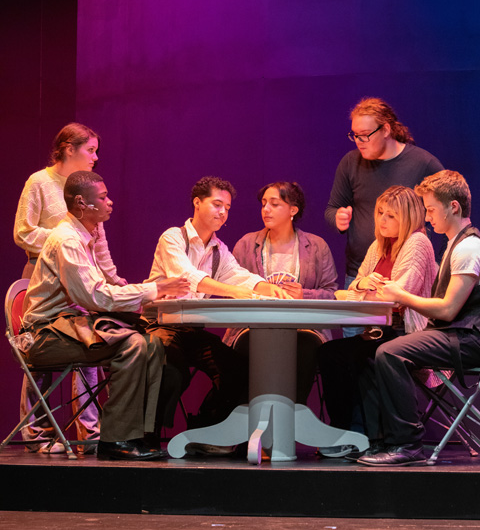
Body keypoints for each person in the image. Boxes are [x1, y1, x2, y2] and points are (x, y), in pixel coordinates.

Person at [21, 170, 189, 461]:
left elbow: (98, 293)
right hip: (44, 335)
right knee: (133, 344)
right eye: (102, 197)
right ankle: (115, 439)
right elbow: (94, 296)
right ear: (81, 203)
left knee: (151, 342)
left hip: (67, 326)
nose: (110, 202)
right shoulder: (67, 240)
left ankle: (140, 434)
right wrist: (154, 289)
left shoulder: (85, 237)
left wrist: (144, 295)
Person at [357, 170, 480, 465]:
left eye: (432, 209)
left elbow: (448, 310)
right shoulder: (455, 244)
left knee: (390, 352)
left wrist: (401, 295)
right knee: (376, 352)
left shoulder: (470, 248)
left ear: (453, 207)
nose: (427, 216)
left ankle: (407, 444)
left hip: (473, 340)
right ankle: (383, 439)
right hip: (457, 334)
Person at [13, 123, 126, 453]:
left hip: (81, 277)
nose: (95, 156)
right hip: (44, 275)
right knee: (42, 354)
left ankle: (89, 432)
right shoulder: (39, 182)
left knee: (89, 346)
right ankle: (37, 432)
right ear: (67, 148)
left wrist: (113, 279)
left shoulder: (88, 188)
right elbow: (23, 232)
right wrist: (65, 240)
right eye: (90, 149)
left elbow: (99, 241)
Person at [144, 175, 291, 429]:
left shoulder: (218, 249)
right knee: (171, 370)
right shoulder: (173, 238)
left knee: (237, 370)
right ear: (197, 203)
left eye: (227, 208)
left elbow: (241, 277)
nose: (223, 212)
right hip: (161, 325)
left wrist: (271, 289)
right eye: (217, 204)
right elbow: (189, 277)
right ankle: (148, 436)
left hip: (191, 330)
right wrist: (234, 292)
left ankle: (204, 430)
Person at [318, 185, 437, 439]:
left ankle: (374, 438)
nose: (382, 220)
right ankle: (343, 433)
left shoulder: (417, 242)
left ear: (408, 218)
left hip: (409, 333)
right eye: (380, 212)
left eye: (391, 215)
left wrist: (360, 292)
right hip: (379, 329)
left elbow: (396, 297)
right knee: (330, 353)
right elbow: (352, 287)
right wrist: (363, 284)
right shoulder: (379, 245)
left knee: (365, 357)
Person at [324, 97, 442, 333]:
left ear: (386, 129)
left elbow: (447, 208)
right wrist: (337, 218)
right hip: (361, 274)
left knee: (394, 343)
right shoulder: (350, 163)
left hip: (404, 278)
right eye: (355, 135)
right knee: (353, 347)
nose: (359, 141)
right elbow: (331, 209)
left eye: (365, 135)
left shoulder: (422, 163)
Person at [225, 181, 338, 404]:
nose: (266, 209)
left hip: (304, 328)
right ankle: (250, 417)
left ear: (293, 210)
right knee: (250, 350)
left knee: (305, 348)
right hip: (253, 327)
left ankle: (292, 412)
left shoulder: (316, 246)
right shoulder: (246, 244)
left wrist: (304, 295)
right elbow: (232, 290)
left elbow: (331, 294)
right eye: (264, 203)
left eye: (274, 204)